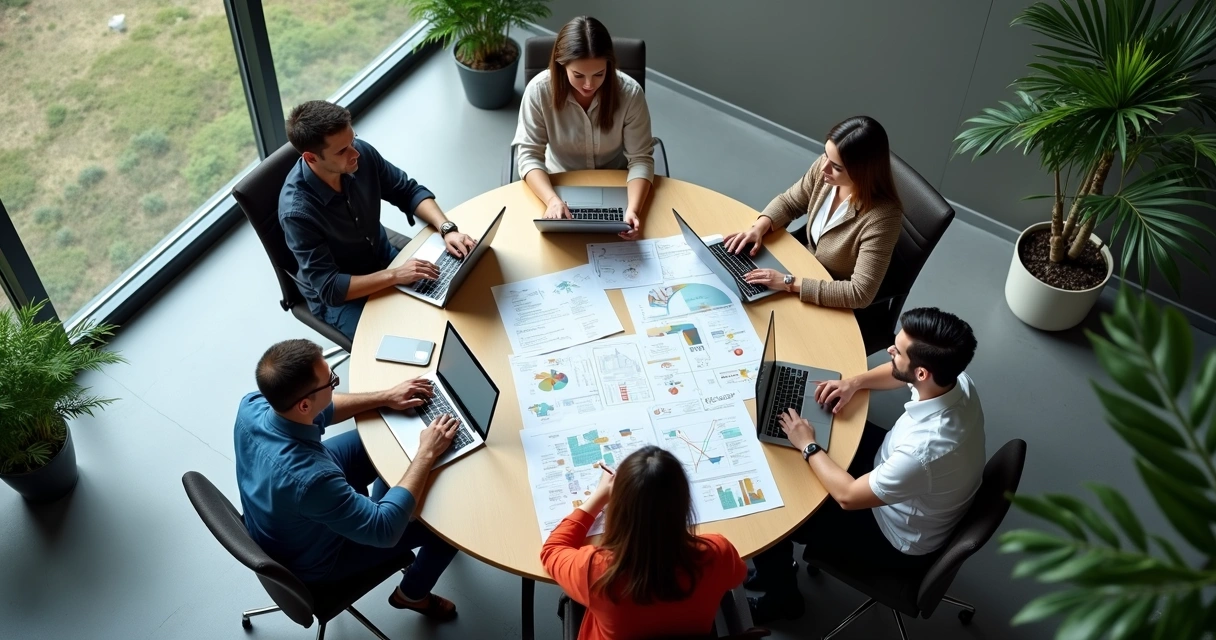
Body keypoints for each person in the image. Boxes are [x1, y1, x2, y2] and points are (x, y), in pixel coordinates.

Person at [748, 308, 984, 623]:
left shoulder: (923, 452)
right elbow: (901, 375)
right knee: (820, 431)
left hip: (892, 536)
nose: (889, 350)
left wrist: (807, 443)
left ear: (922, 373)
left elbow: (847, 496)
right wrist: (854, 383)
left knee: (776, 514)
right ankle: (773, 569)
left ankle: (783, 600)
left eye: (897, 351)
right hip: (899, 471)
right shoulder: (953, 380)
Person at [234, 339, 462, 620]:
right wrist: (426, 453)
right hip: (320, 558)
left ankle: (384, 500)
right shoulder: (314, 480)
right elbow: (384, 529)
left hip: (286, 509)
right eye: (332, 381)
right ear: (304, 405)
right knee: (450, 526)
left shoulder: (253, 405)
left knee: (383, 436)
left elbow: (325, 409)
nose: (334, 385)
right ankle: (412, 594)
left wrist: (386, 396)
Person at [279, 100, 477, 341]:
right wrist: (395, 275)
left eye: (352, 140)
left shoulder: (359, 155)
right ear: (311, 158)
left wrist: (447, 229)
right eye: (342, 151)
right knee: (407, 344)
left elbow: (407, 191)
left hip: (385, 259)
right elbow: (330, 288)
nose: (356, 153)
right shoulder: (297, 213)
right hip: (345, 298)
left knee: (454, 304)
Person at [541, 446, 746, 640]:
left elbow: (551, 550)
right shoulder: (718, 553)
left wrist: (599, 496)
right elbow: (737, 577)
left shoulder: (596, 571)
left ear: (620, 510)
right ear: (684, 504)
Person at [723, 116, 903, 309]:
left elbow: (860, 293)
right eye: (825, 154)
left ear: (863, 172)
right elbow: (790, 201)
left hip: (829, 293)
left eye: (836, 167)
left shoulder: (883, 218)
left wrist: (788, 282)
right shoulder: (824, 169)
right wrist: (759, 227)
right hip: (802, 267)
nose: (823, 167)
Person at [512, 16, 655, 240]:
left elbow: (640, 159)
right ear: (562, 65)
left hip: (617, 182)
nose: (589, 85)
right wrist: (551, 200)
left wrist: (633, 210)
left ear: (609, 65)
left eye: (599, 74)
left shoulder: (630, 94)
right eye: (578, 75)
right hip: (558, 182)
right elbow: (529, 155)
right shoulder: (538, 92)